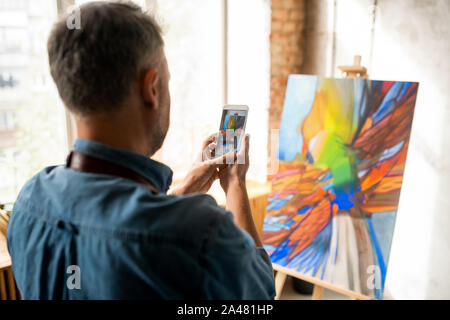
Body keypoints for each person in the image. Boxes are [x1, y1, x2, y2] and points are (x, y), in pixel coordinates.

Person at [6, 1, 275, 299]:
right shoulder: (202, 232)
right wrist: (235, 183)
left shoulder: (28, 204)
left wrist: (182, 191)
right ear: (152, 87)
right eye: (168, 82)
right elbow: (259, 296)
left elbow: (115, 227)